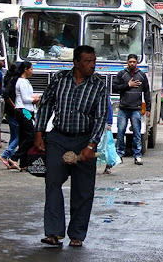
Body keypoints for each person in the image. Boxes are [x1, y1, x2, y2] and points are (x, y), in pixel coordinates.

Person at [34, 45, 108, 248]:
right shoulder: (59, 79)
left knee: (83, 191)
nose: (92, 65)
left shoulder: (98, 86)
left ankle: (76, 234)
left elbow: (101, 117)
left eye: (94, 61)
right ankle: (53, 232)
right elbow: (46, 104)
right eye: (87, 61)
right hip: (58, 137)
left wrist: (92, 145)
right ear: (76, 63)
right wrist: (39, 133)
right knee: (52, 182)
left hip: (84, 139)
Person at [112, 54, 151, 165]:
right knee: (120, 132)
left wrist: (148, 108)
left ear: (137, 62)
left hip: (136, 109)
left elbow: (147, 92)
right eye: (130, 62)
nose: (132, 64)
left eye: (134, 62)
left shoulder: (142, 75)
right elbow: (115, 87)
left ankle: (137, 155)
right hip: (123, 108)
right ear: (127, 63)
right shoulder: (121, 74)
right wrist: (128, 85)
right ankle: (119, 154)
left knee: (137, 133)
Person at [10, 60, 40, 170]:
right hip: (24, 111)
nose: (32, 71)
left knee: (24, 136)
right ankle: (15, 157)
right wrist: (35, 100)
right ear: (25, 70)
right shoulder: (21, 82)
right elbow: (25, 99)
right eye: (31, 69)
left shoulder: (25, 82)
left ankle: (23, 163)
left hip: (27, 110)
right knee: (31, 136)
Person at [0, 63, 19, 168]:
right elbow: (5, 94)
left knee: (14, 136)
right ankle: (5, 155)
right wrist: (14, 105)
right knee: (18, 136)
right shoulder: (12, 82)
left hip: (10, 112)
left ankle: (10, 159)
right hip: (13, 112)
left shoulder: (9, 80)